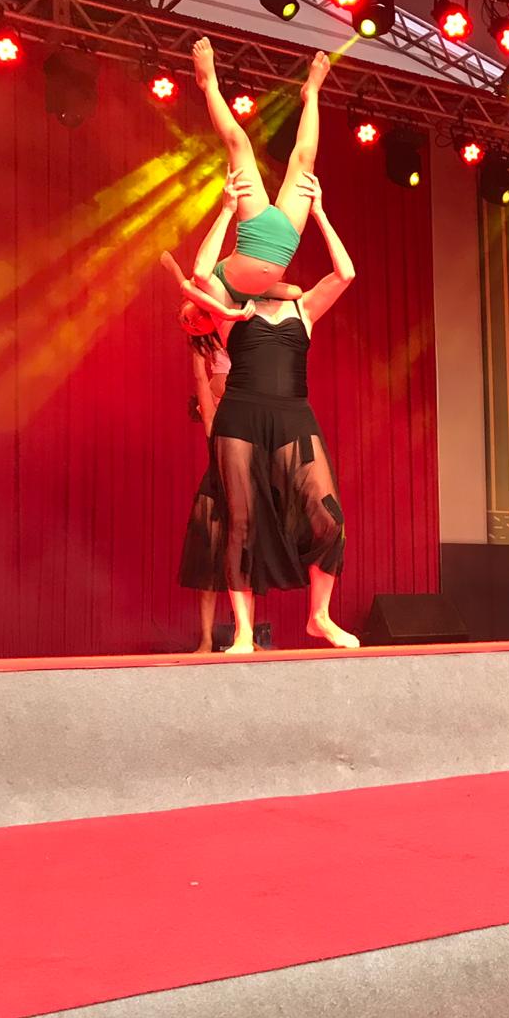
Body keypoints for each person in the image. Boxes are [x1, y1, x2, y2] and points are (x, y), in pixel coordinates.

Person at [177, 170, 359, 652]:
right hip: (240, 417)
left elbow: (345, 274)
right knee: (241, 521)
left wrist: (320, 214)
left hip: (293, 415)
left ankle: (319, 616)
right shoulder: (232, 311)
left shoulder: (305, 310)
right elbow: (201, 274)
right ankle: (241, 631)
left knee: (329, 517)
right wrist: (224, 212)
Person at [190, 36, 329, 307]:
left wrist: (231, 313)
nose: (191, 323)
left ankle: (209, 84)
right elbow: (295, 292)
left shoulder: (211, 293)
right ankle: (312, 94)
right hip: (286, 235)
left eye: (187, 319)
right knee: (305, 159)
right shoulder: (240, 302)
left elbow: (192, 281)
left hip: (253, 228)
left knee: (238, 143)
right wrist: (265, 288)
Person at [164, 251, 231, 653]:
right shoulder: (213, 416)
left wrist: (177, 272)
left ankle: (242, 634)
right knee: (209, 568)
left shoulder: (242, 396)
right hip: (217, 487)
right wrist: (195, 353)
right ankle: (206, 638)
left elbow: (206, 304)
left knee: (244, 567)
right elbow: (201, 379)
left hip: (244, 483)